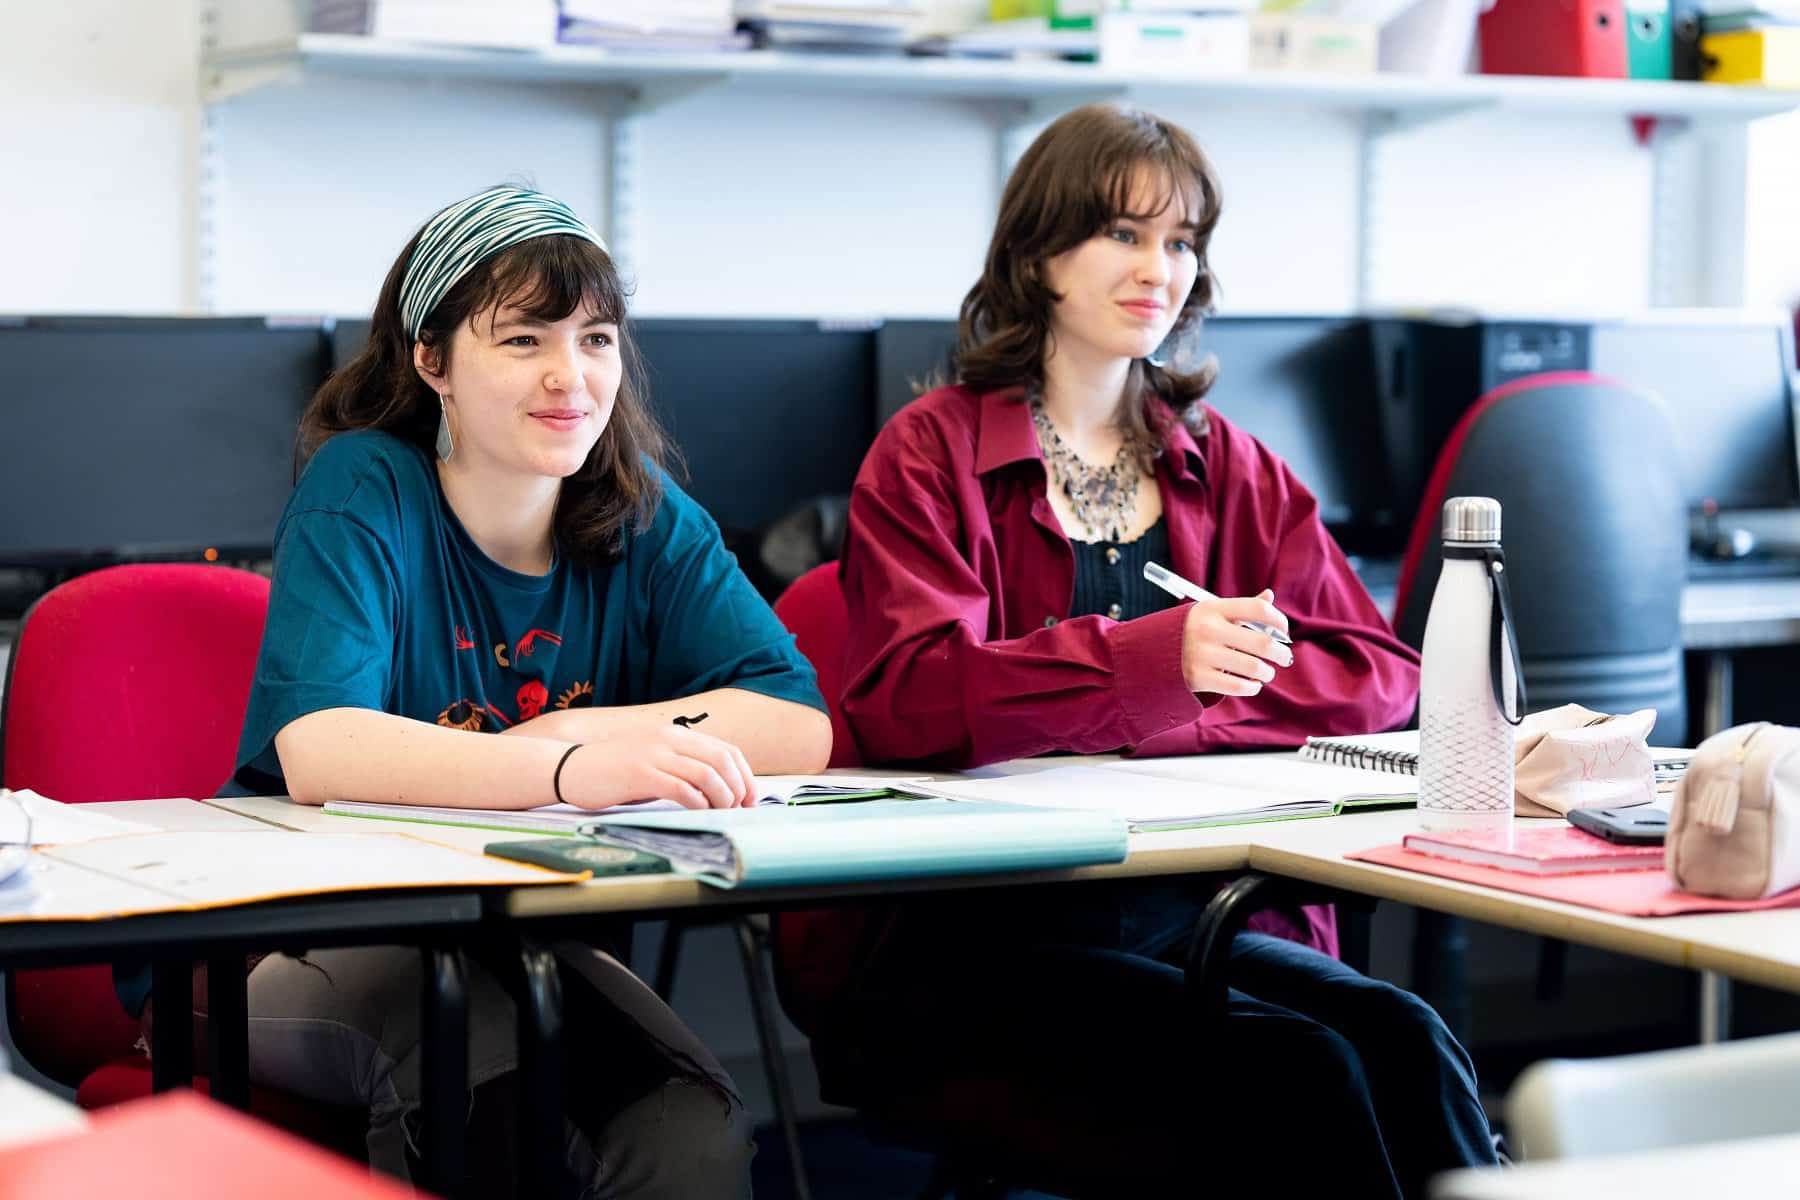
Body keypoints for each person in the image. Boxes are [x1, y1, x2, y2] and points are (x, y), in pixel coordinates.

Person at [816, 106, 1496, 1197]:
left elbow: (1377, 670)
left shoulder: (1224, 462)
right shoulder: (930, 450)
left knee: (1409, 1039)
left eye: (1182, 243)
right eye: (1124, 235)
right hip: (986, 939)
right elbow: (906, 699)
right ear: (1039, 254)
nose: (1160, 269)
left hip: (1189, 911)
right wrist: (1142, 665)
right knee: (1304, 1072)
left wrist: (1186, 699)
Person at [226, 184, 830, 1195]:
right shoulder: (366, 483)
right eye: (523, 340)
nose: (572, 376)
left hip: (525, 946)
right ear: (432, 361)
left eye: (597, 338)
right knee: (485, 1073)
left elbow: (793, 718)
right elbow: (321, 745)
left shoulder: (640, 507)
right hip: (294, 936)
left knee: (694, 1137)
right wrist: (569, 766)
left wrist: (590, 729)